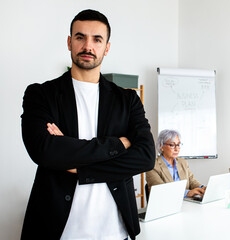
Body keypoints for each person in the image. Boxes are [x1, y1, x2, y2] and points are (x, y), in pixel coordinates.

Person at [20, 9, 155, 240]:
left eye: (97, 39)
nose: (87, 46)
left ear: (107, 47)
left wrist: (77, 162)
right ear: (69, 42)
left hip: (116, 232)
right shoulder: (41, 94)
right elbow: (44, 151)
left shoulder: (128, 99)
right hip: (59, 232)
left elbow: (145, 156)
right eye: (80, 37)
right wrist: (118, 144)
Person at [146, 129, 205, 198]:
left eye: (178, 144)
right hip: (165, 205)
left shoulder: (182, 162)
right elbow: (162, 191)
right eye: (172, 145)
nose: (177, 149)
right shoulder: (152, 166)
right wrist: (187, 193)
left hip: (186, 203)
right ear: (161, 146)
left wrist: (202, 188)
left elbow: (191, 181)